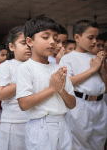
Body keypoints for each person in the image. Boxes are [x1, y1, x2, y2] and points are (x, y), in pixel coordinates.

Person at [16, 16, 76, 150]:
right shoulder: (25, 69)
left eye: (55, 38)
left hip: (62, 123)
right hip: (41, 126)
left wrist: (61, 90)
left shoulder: (58, 69)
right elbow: (24, 104)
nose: (52, 42)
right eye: (45, 37)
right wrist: (52, 89)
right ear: (30, 41)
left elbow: (72, 103)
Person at [60, 20, 107, 150]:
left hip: (99, 104)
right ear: (77, 37)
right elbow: (66, 82)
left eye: (96, 38)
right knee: (79, 144)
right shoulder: (68, 58)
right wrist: (92, 69)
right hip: (80, 105)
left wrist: (102, 69)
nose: (94, 41)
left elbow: (105, 88)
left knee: (99, 142)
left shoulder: (96, 57)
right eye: (90, 37)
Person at [0, 26, 31, 150]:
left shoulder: (37, 65)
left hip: (35, 120)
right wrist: (25, 80)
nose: (28, 46)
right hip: (13, 122)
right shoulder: (6, 66)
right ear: (11, 47)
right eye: (23, 43)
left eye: (31, 42)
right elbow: (1, 94)